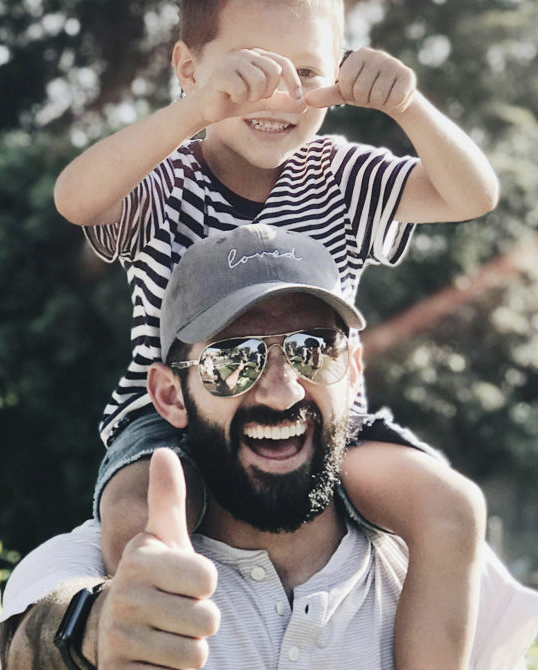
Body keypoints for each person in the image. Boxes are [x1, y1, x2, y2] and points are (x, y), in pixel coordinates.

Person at [53, 0, 503, 666]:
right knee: (137, 515)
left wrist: (408, 107)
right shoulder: (163, 178)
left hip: (324, 415)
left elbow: (473, 195)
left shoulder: (342, 176)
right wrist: (194, 112)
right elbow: (75, 199)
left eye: (306, 72)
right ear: (188, 67)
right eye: (250, 70)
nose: (279, 95)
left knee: (452, 506)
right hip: (173, 419)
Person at [0, 226, 538, 669]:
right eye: (233, 360)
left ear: (354, 371)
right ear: (170, 395)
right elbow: (32, 640)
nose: (283, 392)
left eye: (314, 350)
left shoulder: (440, 569)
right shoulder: (94, 563)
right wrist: (95, 630)